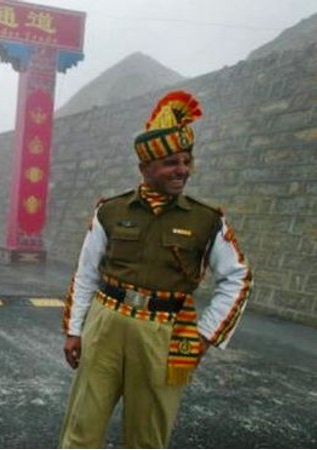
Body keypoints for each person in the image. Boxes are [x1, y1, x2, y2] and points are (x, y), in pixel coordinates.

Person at [58, 91, 253, 448]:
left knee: (148, 436)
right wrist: (74, 330)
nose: (181, 170)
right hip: (106, 324)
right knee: (82, 426)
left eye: (186, 161)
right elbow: (86, 272)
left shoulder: (206, 218)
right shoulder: (111, 211)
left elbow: (238, 277)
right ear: (145, 169)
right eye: (170, 163)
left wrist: (205, 335)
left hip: (165, 333)